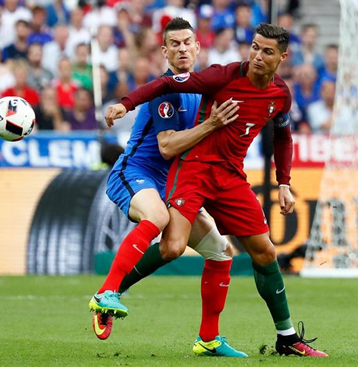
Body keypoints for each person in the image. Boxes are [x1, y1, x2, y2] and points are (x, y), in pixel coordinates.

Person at [105, 22, 328, 358]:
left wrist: (284, 182)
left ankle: (285, 337)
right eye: (254, 47)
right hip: (193, 170)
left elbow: (283, 135)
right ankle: (110, 292)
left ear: (282, 57)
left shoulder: (280, 94)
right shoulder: (223, 76)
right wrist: (127, 103)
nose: (257, 55)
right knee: (172, 247)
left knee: (263, 252)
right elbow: (166, 82)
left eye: (266, 51)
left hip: (230, 177)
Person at [90, 18, 245, 357]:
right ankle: (107, 293)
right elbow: (167, 147)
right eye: (174, 44)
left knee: (217, 251)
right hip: (136, 171)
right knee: (157, 217)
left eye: (187, 42)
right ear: (164, 51)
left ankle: (208, 339)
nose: (182, 48)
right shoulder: (167, 91)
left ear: (198, 46)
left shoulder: (204, 88)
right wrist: (212, 124)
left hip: (175, 184)